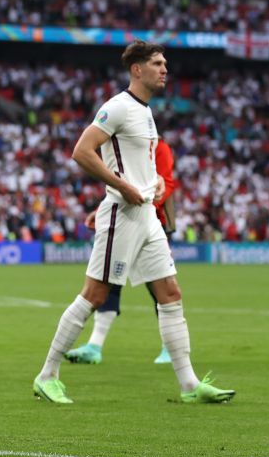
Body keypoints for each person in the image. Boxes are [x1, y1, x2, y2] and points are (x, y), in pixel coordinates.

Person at [32, 41, 234, 404]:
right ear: (137, 70)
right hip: (123, 216)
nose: (164, 69)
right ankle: (47, 375)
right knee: (94, 295)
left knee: (170, 293)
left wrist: (155, 182)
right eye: (157, 63)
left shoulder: (146, 112)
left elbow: (138, 165)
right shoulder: (118, 107)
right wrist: (122, 187)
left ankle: (189, 385)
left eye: (165, 63)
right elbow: (82, 151)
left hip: (147, 216)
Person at [65, 135, 176, 365]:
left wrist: (145, 207)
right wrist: (103, 211)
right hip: (125, 220)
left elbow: (165, 183)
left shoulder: (159, 147)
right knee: (109, 284)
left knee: (160, 287)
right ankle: (95, 346)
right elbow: (121, 185)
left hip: (150, 222)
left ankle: (170, 348)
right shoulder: (128, 148)